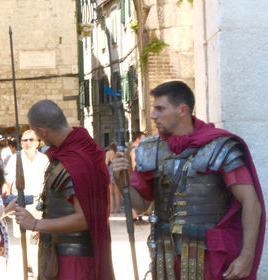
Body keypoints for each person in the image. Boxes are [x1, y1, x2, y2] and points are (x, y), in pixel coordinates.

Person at [112, 81, 265, 280]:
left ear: (182, 110)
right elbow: (141, 207)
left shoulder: (219, 147)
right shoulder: (151, 150)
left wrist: (247, 256)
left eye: (160, 109)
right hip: (166, 259)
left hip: (210, 257)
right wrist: (120, 181)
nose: (152, 115)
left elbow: (250, 202)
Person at [15, 100, 115, 280]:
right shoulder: (74, 152)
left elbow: (85, 218)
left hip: (74, 261)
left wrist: (36, 224)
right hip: (60, 256)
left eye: (36, 132)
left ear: (43, 131)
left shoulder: (76, 161)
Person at [5, 129, 49, 277]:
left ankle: (39, 264)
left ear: (38, 142)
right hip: (22, 201)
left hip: (40, 201)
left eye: (31, 139)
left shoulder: (44, 159)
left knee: (41, 235)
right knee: (25, 236)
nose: (28, 143)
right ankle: (28, 265)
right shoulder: (15, 159)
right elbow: (8, 182)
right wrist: (7, 200)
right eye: (24, 140)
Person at [125, 131, 147, 224]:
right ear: (138, 139)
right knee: (136, 196)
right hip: (134, 176)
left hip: (130, 177)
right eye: (143, 138)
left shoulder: (130, 148)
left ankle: (137, 217)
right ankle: (135, 219)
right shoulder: (134, 148)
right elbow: (134, 163)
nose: (145, 140)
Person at [105, 142, 120, 213]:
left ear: (109, 147)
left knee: (110, 193)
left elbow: (106, 163)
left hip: (110, 172)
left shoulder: (108, 153)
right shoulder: (117, 153)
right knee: (117, 193)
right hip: (116, 171)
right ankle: (118, 209)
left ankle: (112, 209)